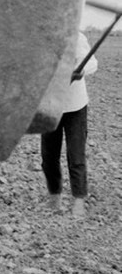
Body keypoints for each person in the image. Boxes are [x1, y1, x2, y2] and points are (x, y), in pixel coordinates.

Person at [41, 31, 98, 218]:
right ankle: (54, 198)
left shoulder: (76, 37)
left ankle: (78, 202)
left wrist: (81, 71)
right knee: (49, 157)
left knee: (76, 156)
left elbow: (92, 62)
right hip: (50, 105)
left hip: (75, 106)